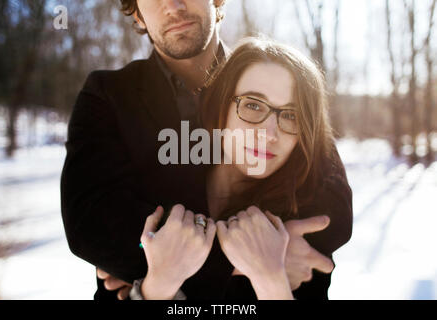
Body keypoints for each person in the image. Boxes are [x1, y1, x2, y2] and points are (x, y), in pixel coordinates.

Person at [61, 0, 351, 300]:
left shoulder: (266, 77)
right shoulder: (107, 95)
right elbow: (93, 229)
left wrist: (148, 262)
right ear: (137, 12)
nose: (173, 5)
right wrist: (254, 255)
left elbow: (333, 212)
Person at [123, 37, 352, 300]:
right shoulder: (155, 190)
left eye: (291, 115)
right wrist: (158, 283)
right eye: (253, 105)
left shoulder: (304, 223)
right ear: (221, 105)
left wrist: (270, 278)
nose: (269, 133)